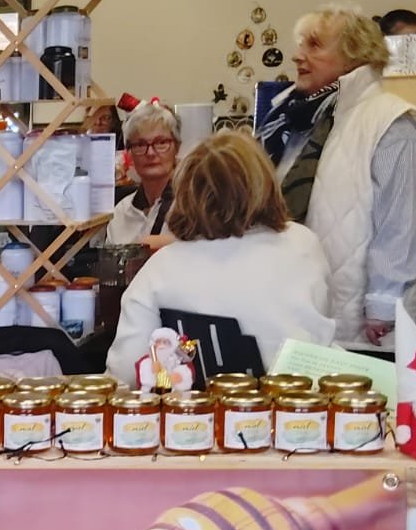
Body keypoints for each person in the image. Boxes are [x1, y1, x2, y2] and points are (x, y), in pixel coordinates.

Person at [258, 3, 416, 349]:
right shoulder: (297, 118)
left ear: (354, 55)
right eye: (300, 44)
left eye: (314, 45)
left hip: (363, 328)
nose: (297, 56)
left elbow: (401, 225)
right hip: (301, 311)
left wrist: (383, 306)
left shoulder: (392, 123)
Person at [105, 133, 333, 386]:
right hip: (301, 409)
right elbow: (319, 332)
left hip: (192, 417)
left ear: (186, 192)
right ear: (265, 183)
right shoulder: (303, 245)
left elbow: (125, 373)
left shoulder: (161, 269)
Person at [104, 99, 180, 249]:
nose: (151, 153)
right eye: (140, 144)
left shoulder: (195, 206)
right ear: (129, 154)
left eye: (161, 143)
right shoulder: (121, 213)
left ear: (177, 147)